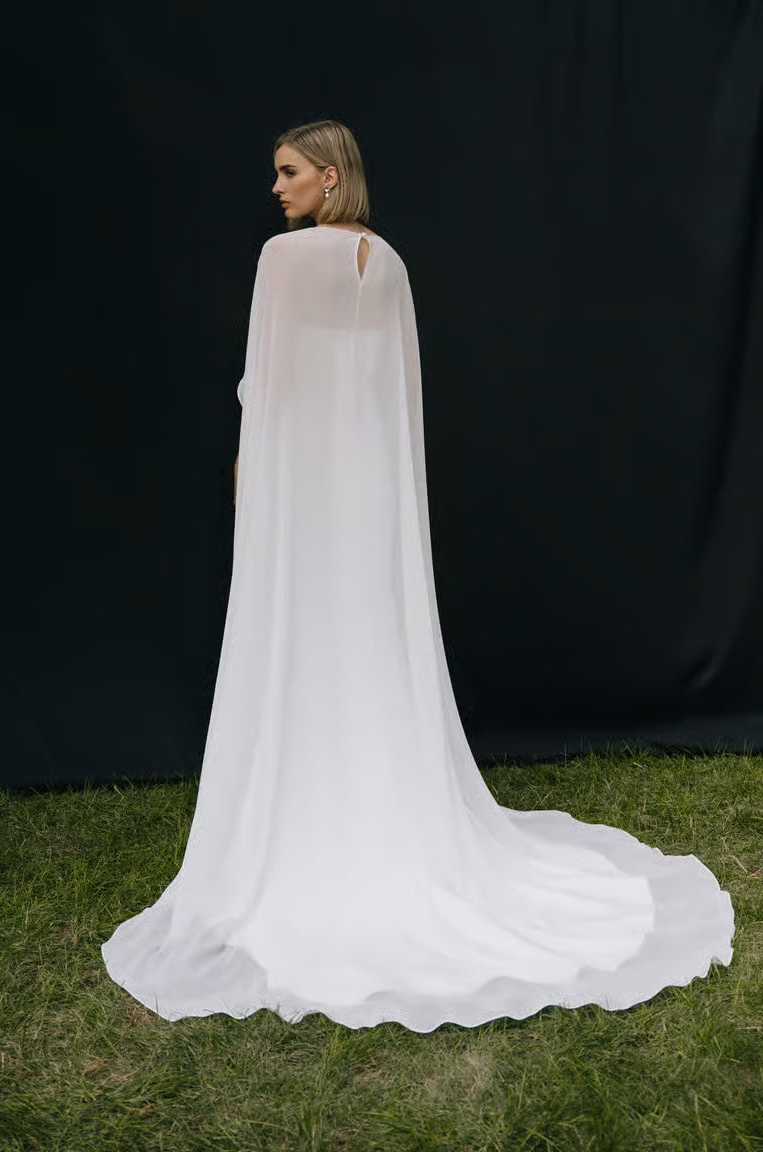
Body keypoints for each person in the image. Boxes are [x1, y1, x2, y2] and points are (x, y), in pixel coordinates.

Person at [101, 120, 734, 1032]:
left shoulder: (283, 261)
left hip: (303, 484)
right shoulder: (389, 263)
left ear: (328, 176)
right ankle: (378, 807)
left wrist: (249, 471)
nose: (276, 189)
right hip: (370, 489)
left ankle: (307, 820)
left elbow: (265, 384)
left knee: (300, 635)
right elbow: (400, 397)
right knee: (369, 639)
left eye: (287, 172)